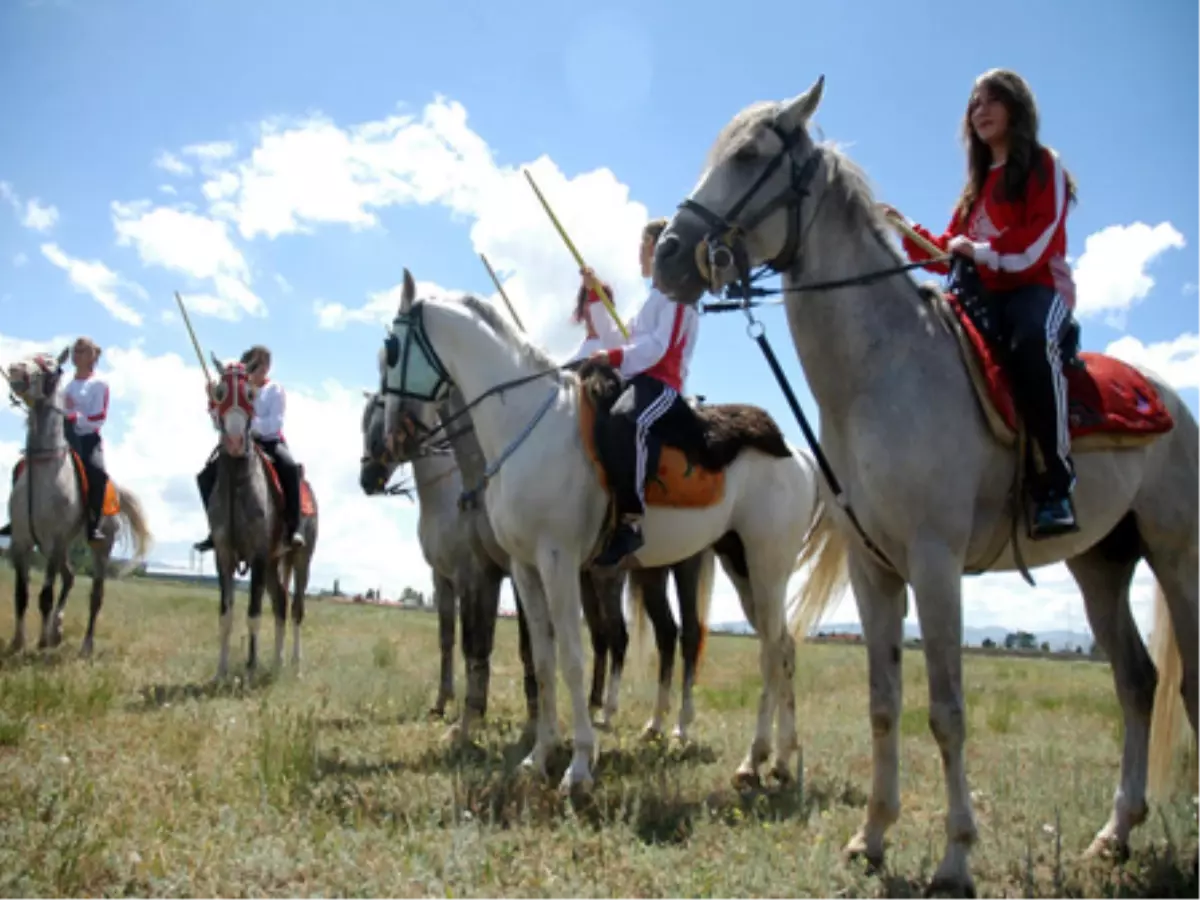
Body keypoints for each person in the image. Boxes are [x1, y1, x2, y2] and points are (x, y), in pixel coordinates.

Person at [882, 68, 1080, 539]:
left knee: (1032, 342)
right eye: (974, 104)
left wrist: (982, 252)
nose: (981, 110)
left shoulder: (1043, 165)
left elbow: (1039, 242)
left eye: (992, 100)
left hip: (1038, 289)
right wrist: (903, 227)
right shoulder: (974, 191)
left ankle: (1056, 486)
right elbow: (946, 253)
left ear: (1016, 108)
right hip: (983, 295)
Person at [584, 217, 702, 566]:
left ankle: (632, 521)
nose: (638, 252)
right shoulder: (651, 300)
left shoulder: (678, 296)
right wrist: (595, 296)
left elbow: (659, 349)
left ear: (656, 247)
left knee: (625, 419)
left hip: (664, 386)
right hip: (639, 382)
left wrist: (615, 356)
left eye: (642, 243)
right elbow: (618, 341)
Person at [193, 345, 306, 552]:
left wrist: (248, 424)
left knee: (289, 467)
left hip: (269, 442)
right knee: (205, 477)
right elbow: (220, 423)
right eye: (255, 365)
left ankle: (293, 528)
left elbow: (275, 423)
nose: (260, 370)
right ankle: (215, 529)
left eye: (263, 365)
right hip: (240, 443)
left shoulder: (274, 390)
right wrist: (213, 401)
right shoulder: (236, 391)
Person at [1, 337, 111, 542]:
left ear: (92, 356)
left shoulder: (99, 384)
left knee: (97, 473)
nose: (76, 354)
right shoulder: (65, 384)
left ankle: (93, 524)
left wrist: (73, 416)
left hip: (87, 438)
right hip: (62, 436)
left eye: (81, 351)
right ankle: (16, 518)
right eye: (75, 351)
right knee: (22, 466)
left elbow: (99, 417)